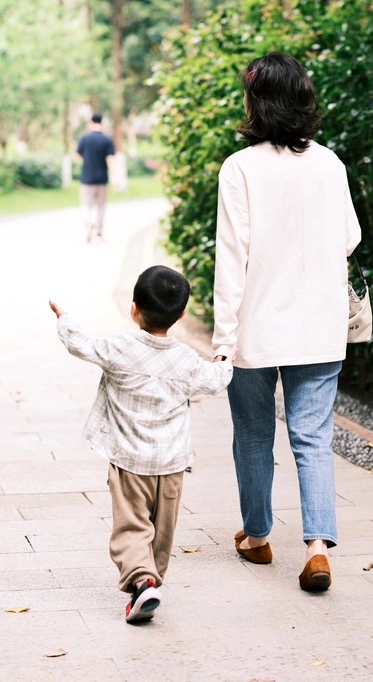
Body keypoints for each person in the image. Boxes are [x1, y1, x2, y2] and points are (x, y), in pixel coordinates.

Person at [212, 52, 361, 592]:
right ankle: (317, 549)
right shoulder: (331, 163)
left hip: (255, 327)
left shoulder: (240, 168)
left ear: (256, 101)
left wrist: (223, 339)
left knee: (253, 434)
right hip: (319, 325)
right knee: (312, 438)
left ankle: (257, 536)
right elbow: (349, 238)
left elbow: (232, 257)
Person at [49, 265, 233, 623]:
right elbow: (215, 381)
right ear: (181, 314)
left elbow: (79, 344)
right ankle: (149, 582)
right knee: (162, 531)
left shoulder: (118, 348)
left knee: (132, 526)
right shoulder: (185, 359)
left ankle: (142, 582)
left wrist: (64, 318)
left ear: (134, 309)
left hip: (130, 462)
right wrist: (224, 361)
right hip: (172, 464)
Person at [76, 113, 115, 242]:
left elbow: (77, 156)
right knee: (101, 207)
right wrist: (114, 177)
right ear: (101, 123)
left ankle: (88, 224)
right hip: (102, 178)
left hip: (87, 178)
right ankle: (99, 234)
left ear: (90, 122)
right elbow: (110, 159)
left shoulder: (84, 138)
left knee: (86, 205)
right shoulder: (107, 139)